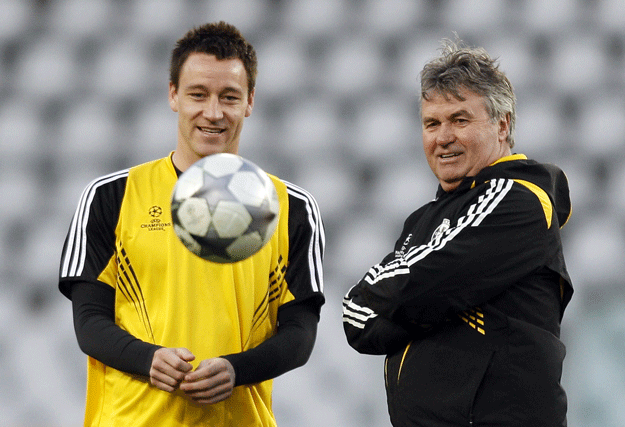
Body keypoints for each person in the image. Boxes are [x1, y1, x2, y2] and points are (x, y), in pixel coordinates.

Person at [58, 21, 325, 427]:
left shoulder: (292, 207)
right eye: (198, 94)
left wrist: (237, 369)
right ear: (173, 95)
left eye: (229, 97)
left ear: (250, 101)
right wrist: (147, 359)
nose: (213, 112)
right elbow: (89, 322)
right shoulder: (111, 196)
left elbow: (300, 333)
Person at [342, 38, 573, 427]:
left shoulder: (518, 199)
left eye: (460, 119)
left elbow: (419, 283)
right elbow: (357, 321)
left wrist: (409, 302)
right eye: (432, 123)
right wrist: (428, 303)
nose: (442, 137)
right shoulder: (421, 222)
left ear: (502, 125)